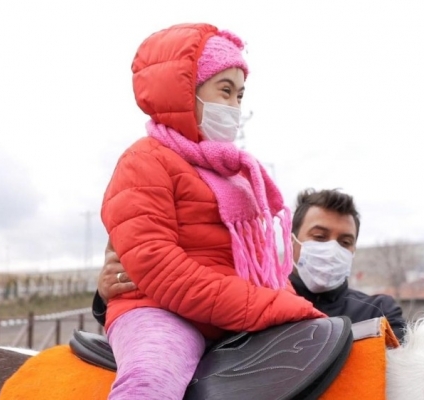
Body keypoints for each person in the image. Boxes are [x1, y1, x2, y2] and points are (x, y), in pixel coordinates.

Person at [99, 23, 325, 400]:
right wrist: (270, 306)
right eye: (225, 90)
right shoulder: (143, 160)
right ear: (185, 89)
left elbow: (261, 267)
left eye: (240, 95)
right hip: (161, 311)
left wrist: (288, 303)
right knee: (152, 378)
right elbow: (159, 266)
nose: (235, 106)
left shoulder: (233, 172)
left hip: (229, 313)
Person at [94, 188, 407, 341]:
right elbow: (185, 313)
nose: (332, 248)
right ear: (292, 241)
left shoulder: (379, 312)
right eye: (319, 236)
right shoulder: (251, 299)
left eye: (345, 241)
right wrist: (108, 298)